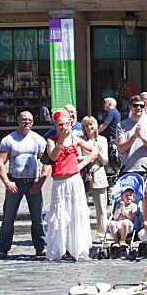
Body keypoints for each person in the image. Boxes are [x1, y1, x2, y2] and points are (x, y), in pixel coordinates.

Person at [0, 110, 47, 261]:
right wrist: (7, 182)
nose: (26, 122)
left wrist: (40, 182)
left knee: (37, 218)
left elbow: (46, 162)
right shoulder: (8, 140)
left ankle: (41, 247)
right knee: (8, 218)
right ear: (18, 120)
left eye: (29, 120)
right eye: (24, 120)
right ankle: (2, 249)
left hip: (33, 183)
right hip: (15, 183)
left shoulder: (38, 139)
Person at [45, 112, 98, 261]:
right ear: (55, 125)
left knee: (76, 213)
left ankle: (76, 249)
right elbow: (53, 157)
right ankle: (61, 249)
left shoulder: (75, 139)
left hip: (74, 180)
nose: (63, 127)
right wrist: (60, 141)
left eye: (65, 124)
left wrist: (81, 164)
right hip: (60, 182)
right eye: (60, 124)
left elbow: (94, 150)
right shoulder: (51, 140)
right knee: (60, 215)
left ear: (70, 124)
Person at [117, 95, 147, 178]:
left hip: (146, 169)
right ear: (130, 107)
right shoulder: (121, 125)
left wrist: (142, 137)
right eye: (135, 105)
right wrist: (134, 137)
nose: (138, 108)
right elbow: (121, 148)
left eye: (141, 106)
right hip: (127, 170)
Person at [80, 115, 109, 235]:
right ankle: (83, 234)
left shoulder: (102, 140)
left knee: (101, 207)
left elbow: (105, 161)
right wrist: (93, 153)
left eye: (91, 124)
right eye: (86, 125)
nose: (89, 127)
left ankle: (102, 233)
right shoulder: (80, 140)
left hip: (98, 174)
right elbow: (77, 158)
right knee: (82, 207)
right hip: (83, 176)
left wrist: (98, 154)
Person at [108, 186, 138, 256]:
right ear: (122, 197)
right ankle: (116, 241)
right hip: (118, 222)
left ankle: (122, 241)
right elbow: (115, 217)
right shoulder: (118, 205)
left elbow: (132, 218)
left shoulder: (133, 206)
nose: (129, 197)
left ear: (133, 196)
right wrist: (120, 209)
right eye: (126, 195)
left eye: (130, 195)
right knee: (112, 223)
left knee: (125, 222)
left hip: (128, 223)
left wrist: (124, 210)